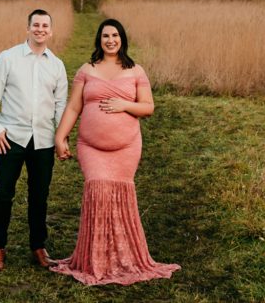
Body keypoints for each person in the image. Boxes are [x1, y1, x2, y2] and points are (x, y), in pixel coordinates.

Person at [51, 18, 180, 286]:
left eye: (115, 35)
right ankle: (95, 260)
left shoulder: (135, 71)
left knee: (120, 196)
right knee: (97, 190)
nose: (110, 40)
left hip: (126, 147)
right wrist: (60, 137)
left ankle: (123, 257)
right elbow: (74, 107)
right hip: (91, 147)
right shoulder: (87, 69)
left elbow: (148, 107)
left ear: (122, 39)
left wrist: (124, 104)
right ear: (99, 39)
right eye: (105, 35)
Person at [0, 8, 68, 272]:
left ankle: (38, 247)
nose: (40, 29)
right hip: (11, 138)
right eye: (36, 25)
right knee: (3, 193)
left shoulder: (57, 65)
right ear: (28, 28)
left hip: (43, 140)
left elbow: (61, 104)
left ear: (50, 31)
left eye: (45, 25)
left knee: (39, 196)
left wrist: (60, 136)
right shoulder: (7, 58)